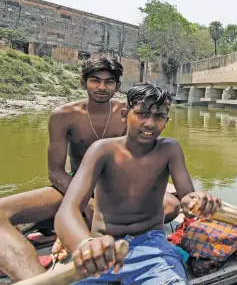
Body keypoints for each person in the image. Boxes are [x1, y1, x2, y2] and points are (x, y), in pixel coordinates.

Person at [0, 57, 181, 281]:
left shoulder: (131, 113)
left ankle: (81, 230)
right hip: (77, 184)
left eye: (109, 82)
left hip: (118, 188)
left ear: (117, 85)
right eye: (95, 80)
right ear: (84, 82)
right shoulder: (63, 116)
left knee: (172, 205)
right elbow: (55, 172)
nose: (102, 87)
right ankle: (35, 278)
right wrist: (87, 202)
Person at [54, 83, 221, 284]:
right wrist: (86, 244)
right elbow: (67, 211)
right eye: (142, 114)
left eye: (159, 117)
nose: (150, 124)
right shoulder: (102, 150)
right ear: (125, 115)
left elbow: (187, 200)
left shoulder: (170, 149)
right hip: (104, 248)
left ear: (166, 121)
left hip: (152, 247)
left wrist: (199, 200)